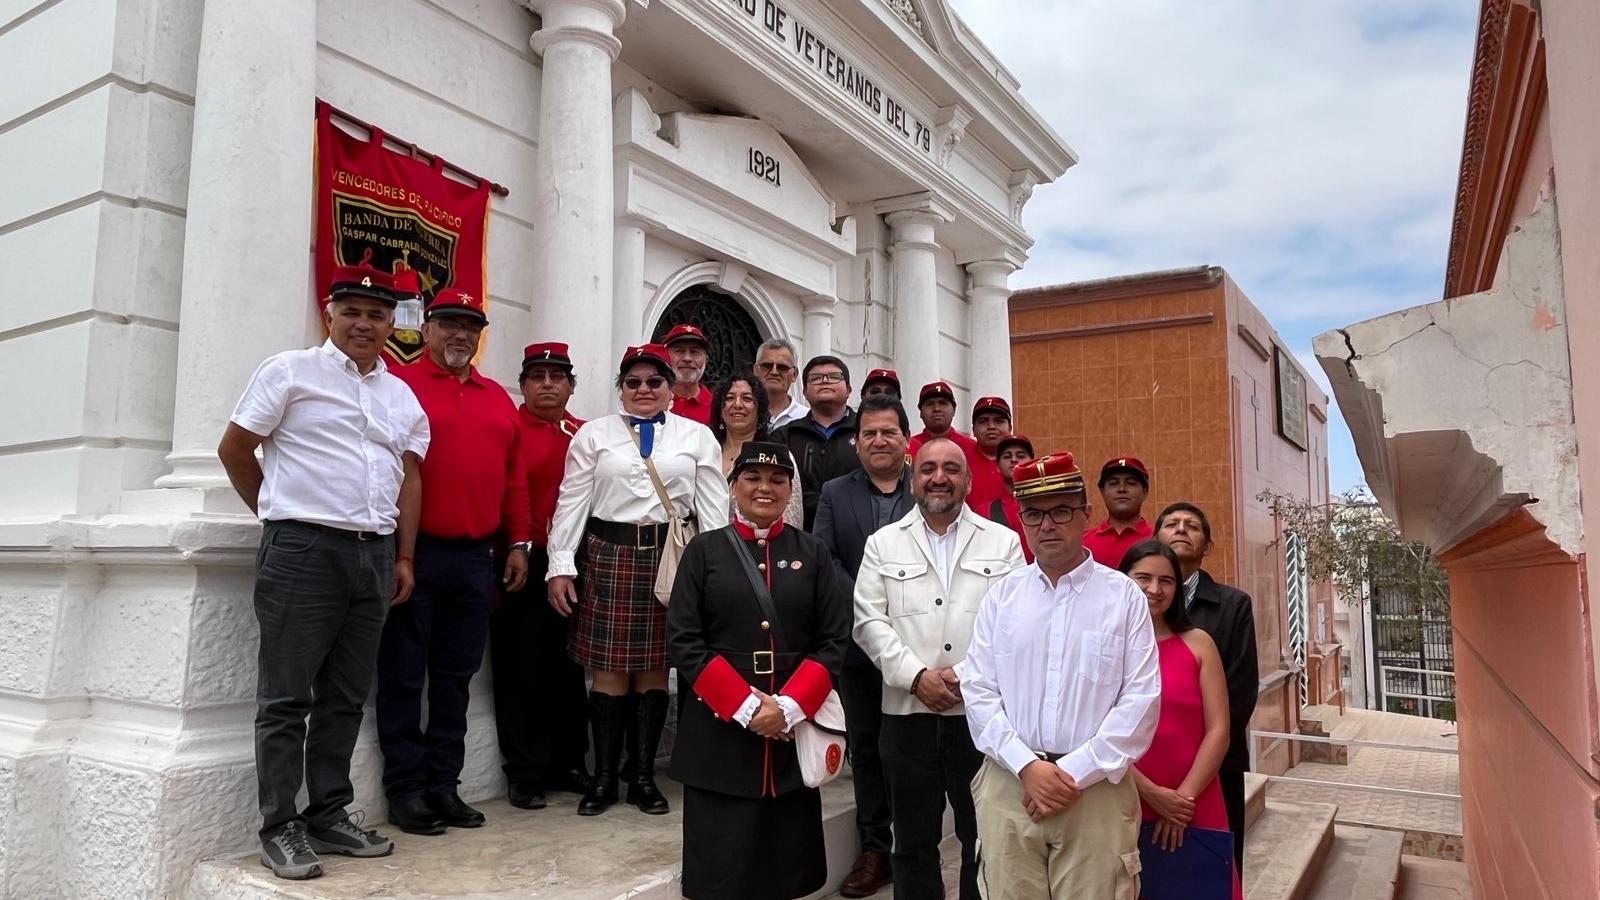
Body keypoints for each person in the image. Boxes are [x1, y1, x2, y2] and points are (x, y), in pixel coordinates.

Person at [218, 262, 428, 879]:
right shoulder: (290, 371)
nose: (365, 323)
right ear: (329, 315)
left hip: (375, 553)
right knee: (286, 696)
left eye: (377, 314)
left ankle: (329, 814)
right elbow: (235, 447)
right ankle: (280, 826)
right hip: (303, 550)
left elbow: (409, 476)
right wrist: (280, 513)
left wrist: (404, 555)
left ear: (393, 322)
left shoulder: (400, 393)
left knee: (344, 696)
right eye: (352, 312)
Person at [961, 451, 1162, 900]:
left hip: (1096, 791)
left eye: (1060, 511)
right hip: (1010, 782)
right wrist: (1028, 766)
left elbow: (1141, 700)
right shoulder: (1002, 598)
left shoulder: (1123, 597)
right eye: (1032, 513)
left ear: (1086, 515)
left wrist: (1070, 772)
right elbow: (978, 691)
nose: (1046, 525)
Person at [546, 343, 729, 816]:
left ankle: (643, 777)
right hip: (608, 555)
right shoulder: (593, 435)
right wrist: (560, 564)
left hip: (669, 560)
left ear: (671, 388)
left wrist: (715, 574)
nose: (644, 389)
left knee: (653, 670)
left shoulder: (697, 437)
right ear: (621, 389)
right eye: (633, 382)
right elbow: (572, 501)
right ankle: (605, 778)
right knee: (608, 670)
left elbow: (711, 511)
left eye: (654, 381)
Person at [667, 441, 850, 900]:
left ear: (791, 490)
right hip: (720, 738)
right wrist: (748, 708)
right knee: (722, 874)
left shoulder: (812, 553)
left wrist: (788, 708)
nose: (764, 488)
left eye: (777, 480)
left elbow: (832, 640)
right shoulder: (703, 552)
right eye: (752, 478)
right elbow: (685, 642)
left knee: (785, 873)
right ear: (733, 486)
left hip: (791, 735)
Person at [379, 288, 530, 835]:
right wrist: (401, 552)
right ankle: (404, 790)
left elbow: (514, 478)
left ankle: (444, 786)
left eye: (471, 326)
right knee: (402, 675)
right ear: (428, 328)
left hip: (474, 559)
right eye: (448, 324)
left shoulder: (497, 398)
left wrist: (518, 543)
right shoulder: (398, 387)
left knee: (456, 678)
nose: (460, 335)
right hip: (414, 555)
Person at [853, 438, 1025, 900]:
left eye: (952, 468)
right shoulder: (882, 544)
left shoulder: (1004, 542)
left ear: (968, 480)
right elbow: (869, 622)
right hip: (905, 716)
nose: (939, 477)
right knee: (911, 843)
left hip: (980, 719)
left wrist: (965, 678)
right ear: (913, 479)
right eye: (928, 468)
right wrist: (916, 677)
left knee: (981, 839)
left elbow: (1013, 624)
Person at [810, 394, 915, 897]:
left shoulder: (930, 487)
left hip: (921, 647)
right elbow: (824, 556)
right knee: (868, 749)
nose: (877, 441)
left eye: (887, 432)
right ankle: (874, 849)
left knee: (915, 748)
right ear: (856, 442)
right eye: (868, 433)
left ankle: (913, 848)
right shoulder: (834, 492)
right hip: (858, 644)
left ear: (905, 440)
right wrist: (872, 608)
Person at [492, 342, 591, 811]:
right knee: (520, 668)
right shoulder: (508, 428)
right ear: (523, 384)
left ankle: (568, 762)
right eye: (537, 376)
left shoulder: (585, 434)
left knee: (569, 666)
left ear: (572, 385)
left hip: (573, 565)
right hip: (524, 563)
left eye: (557, 376)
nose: (547, 383)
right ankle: (525, 771)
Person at [1121, 539, 1241, 900]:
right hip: (1126, 793)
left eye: (1166, 580)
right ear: (1122, 580)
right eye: (1142, 578)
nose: (1154, 590)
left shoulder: (1198, 643)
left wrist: (1181, 801)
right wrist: (1153, 794)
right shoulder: (1106, 646)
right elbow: (1092, 731)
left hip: (1196, 796)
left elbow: (1219, 730)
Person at [1155, 501, 1259, 872]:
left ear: (1207, 545)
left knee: (1213, 867)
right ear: (1157, 540)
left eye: (1192, 526)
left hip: (1215, 764)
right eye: (1171, 523)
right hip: (1149, 763)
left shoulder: (1233, 606)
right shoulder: (1132, 603)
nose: (1181, 529)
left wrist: (1199, 758)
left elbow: (1240, 691)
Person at [772, 355, 861, 530]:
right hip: (799, 533)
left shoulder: (866, 433)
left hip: (856, 529)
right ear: (804, 391)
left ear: (849, 389)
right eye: (816, 378)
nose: (825, 381)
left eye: (834, 376)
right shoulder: (785, 436)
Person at [712, 372, 803, 527]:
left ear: (759, 408)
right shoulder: (706, 451)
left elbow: (791, 517)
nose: (737, 404)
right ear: (720, 409)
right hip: (705, 546)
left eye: (747, 398)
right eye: (729, 398)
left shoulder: (777, 455)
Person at [1084, 456, 1154, 567]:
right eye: (1113, 483)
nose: (1122, 489)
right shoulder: (1082, 544)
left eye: (1131, 483)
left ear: (1145, 492)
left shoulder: (1158, 539)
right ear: (1102, 492)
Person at [985, 433, 1035, 563]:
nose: (1014, 460)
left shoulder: (1047, 505)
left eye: (1021, 456)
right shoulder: (984, 512)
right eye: (1007, 456)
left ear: (1032, 462)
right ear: (997, 466)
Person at [906, 380, 981, 460]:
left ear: (954, 410)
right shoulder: (907, 447)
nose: (936, 409)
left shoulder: (973, 448)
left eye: (942, 403)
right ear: (920, 412)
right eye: (930, 404)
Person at [965, 395, 1014, 515]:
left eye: (998, 421)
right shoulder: (960, 463)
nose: (991, 427)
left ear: (1010, 428)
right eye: (983, 421)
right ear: (974, 429)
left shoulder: (1022, 463)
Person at [665, 323, 715, 425]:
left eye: (695, 352)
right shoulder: (653, 403)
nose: (687, 358)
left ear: (706, 361)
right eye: (679, 351)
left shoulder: (719, 407)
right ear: (665, 358)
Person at [755, 338, 809, 430]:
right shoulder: (741, 412)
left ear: (795, 374)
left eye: (782, 367)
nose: (774, 372)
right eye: (767, 365)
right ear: (755, 370)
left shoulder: (807, 418)